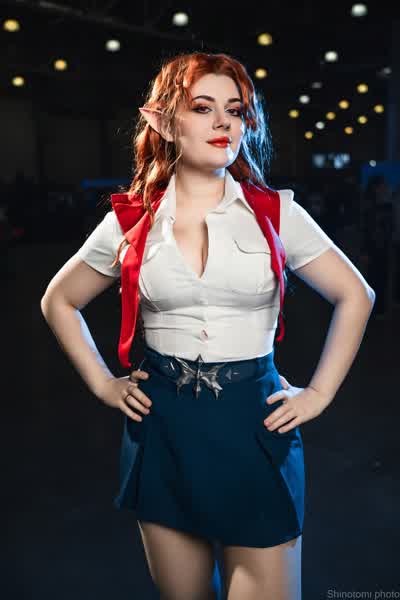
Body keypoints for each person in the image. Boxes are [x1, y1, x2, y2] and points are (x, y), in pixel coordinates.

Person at [40, 52, 375, 600]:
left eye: (235, 110)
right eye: (202, 108)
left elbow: (356, 294)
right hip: (162, 429)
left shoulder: (277, 213)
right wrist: (103, 384)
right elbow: (59, 300)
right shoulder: (130, 219)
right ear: (164, 122)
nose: (224, 122)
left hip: (254, 426)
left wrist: (318, 394)